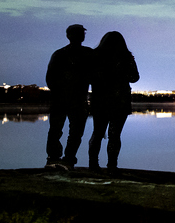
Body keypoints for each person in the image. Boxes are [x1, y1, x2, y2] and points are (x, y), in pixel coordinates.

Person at [88, 31, 140, 171]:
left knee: (98, 133)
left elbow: (90, 78)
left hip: (100, 100)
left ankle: (93, 164)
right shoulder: (126, 57)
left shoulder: (95, 56)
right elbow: (135, 78)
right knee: (115, 134)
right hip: (120, 100)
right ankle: (112, 165)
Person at [45, 24, 94, 170]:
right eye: (79, 33)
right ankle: (63, 158)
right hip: (70, 99)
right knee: (67, 131)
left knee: (62, 131)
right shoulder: (87, 54)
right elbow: (50, 79)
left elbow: (50, 79)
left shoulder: (60, 54)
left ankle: (59, 158)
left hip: (66, 99)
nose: (81, 36)